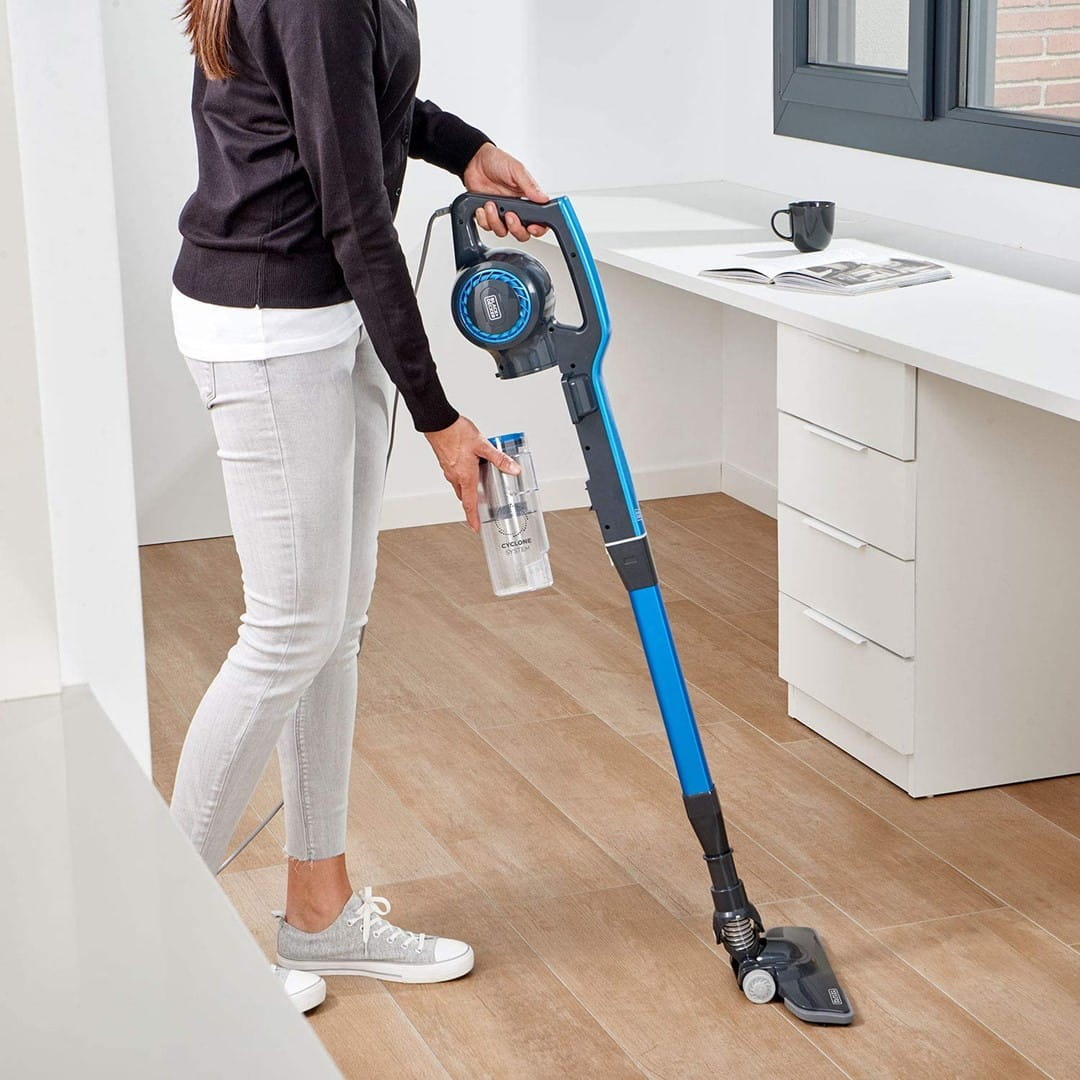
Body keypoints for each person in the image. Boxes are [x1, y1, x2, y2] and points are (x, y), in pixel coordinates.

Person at [168, 0, 549, 1012]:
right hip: (270, 323)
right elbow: (354, 213)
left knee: (332, 628)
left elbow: (362, 105)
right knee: (287, 633)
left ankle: (320, 913)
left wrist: (467, 150)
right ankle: (161, 946)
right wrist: (439, 417)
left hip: (325, 313)